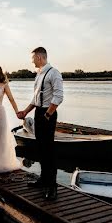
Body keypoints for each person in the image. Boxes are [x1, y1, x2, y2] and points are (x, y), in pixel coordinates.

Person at [16, 47, 64, 199]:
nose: (31, 61)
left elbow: (58, 97)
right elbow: (36, 99)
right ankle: (43, 180)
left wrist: (48, 115)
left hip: (47, 114)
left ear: (39, 57)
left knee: (49, 151)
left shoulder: (54, 73)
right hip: (38, 112)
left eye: (33, 58)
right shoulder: (39, 75)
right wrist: (25, 112)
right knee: (41, 149)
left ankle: (52, 187)